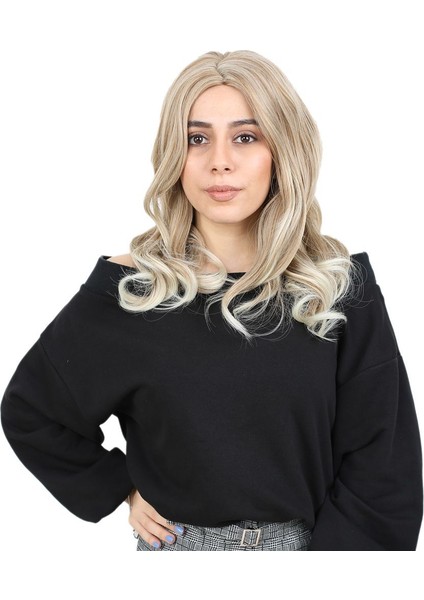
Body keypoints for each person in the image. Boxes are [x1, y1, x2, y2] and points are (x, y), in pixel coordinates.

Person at [1, 50, 422, 551]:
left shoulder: (337, 288)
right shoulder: (132, 290)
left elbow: (383, 465)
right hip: (179, 552)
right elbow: (31, 411)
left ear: (283, 151)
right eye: (196, 139)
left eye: (246, 137)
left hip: (308, 555)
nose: (219, 160)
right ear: (174, 156)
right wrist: (119, 488)